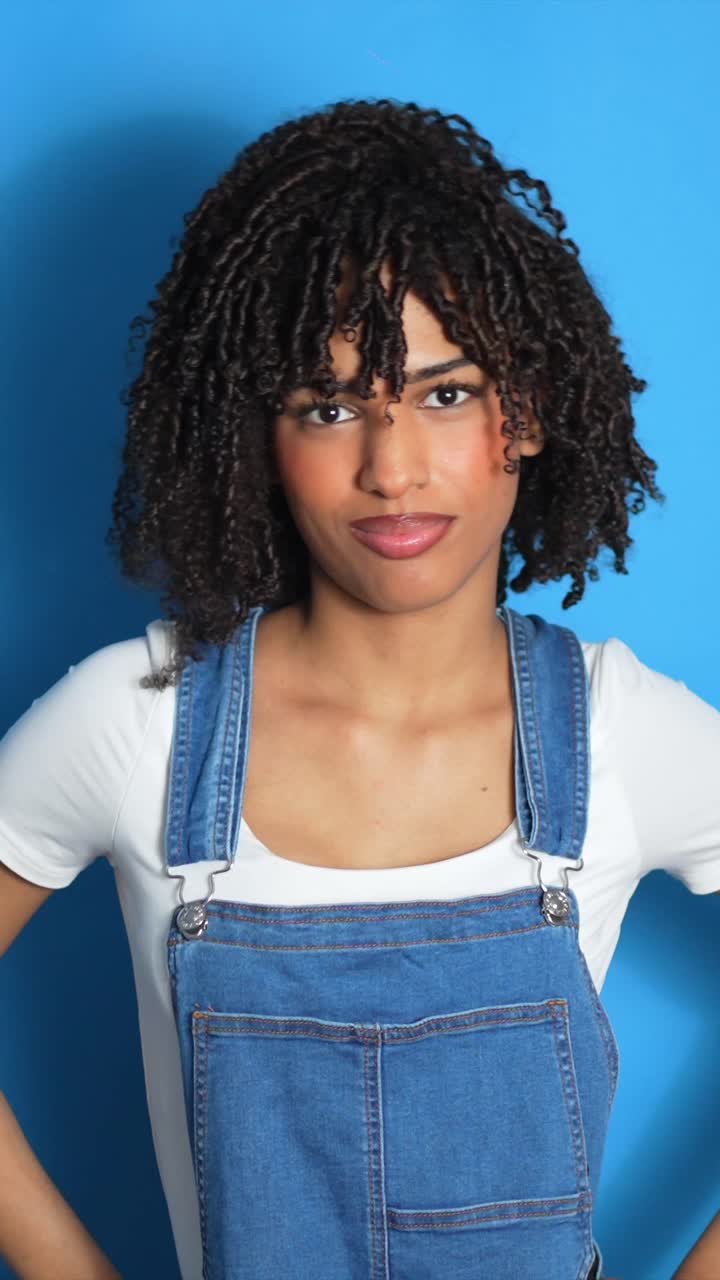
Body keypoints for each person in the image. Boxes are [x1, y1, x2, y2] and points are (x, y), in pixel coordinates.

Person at [1, 96, 719, 1280]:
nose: (391, 469)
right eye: (328, 407)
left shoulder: (621, 732)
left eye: (445, 393)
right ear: (259, 438)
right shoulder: (135, 719)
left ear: (526, 413)